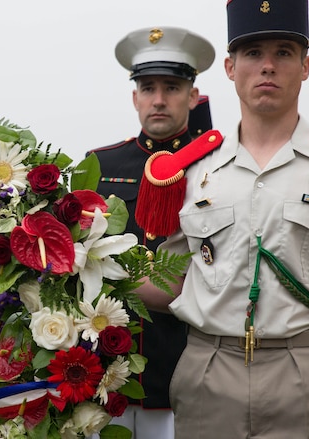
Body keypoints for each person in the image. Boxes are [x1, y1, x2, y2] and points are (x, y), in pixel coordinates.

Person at [135, 0, 309, 437]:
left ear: (306, 65)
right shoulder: (192, 171)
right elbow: (172, 284)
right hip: (207, 372)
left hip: (305, 373)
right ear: (229, 67)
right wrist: (85, 270)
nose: (267, 66)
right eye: (252, 53)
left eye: (283, 52)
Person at [87, 26, 215, 438]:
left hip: (186, 366)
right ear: (134, 96)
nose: (159, 100)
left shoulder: (216, 167)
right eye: (148, 87)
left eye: (173, 87)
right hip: (106, 373)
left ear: (193, 96)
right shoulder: (100, 164)